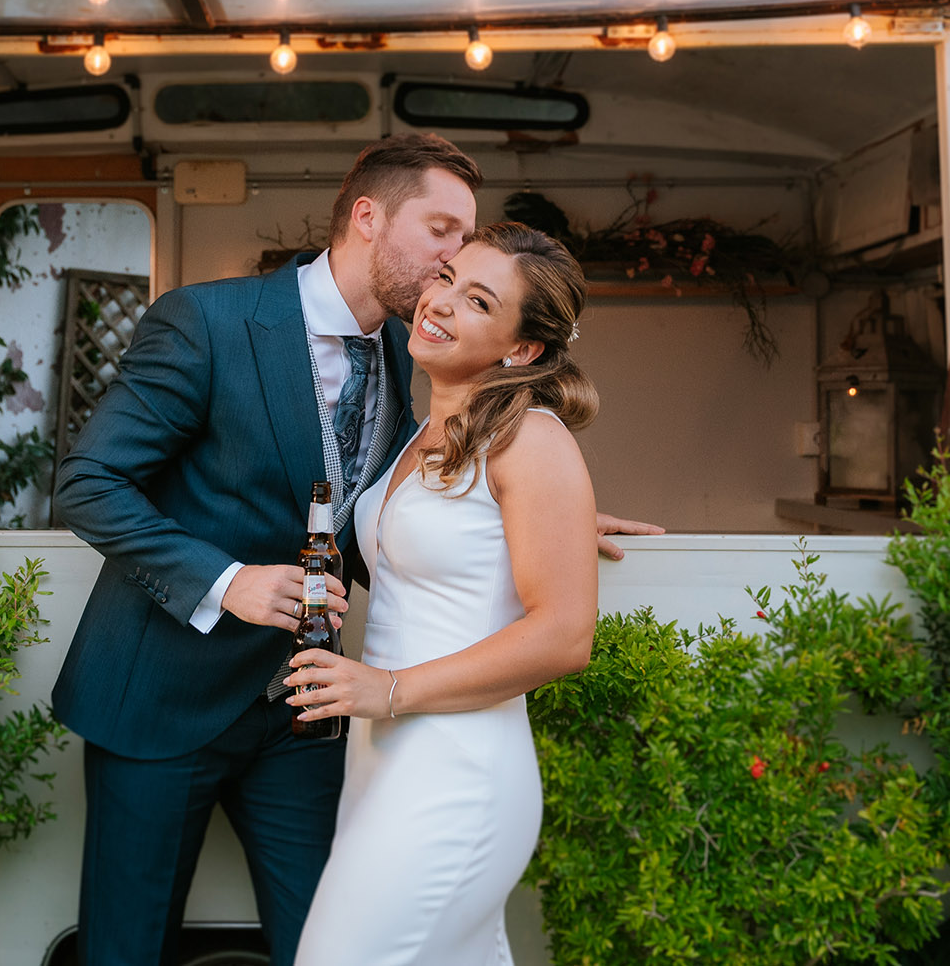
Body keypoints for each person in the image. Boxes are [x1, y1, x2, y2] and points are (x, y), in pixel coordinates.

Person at [53, 138, 660, 966]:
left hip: (307, 712)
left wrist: (547, 520)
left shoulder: (405, 359)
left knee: (331, 945)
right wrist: (226, 582)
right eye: (443, 232)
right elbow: (87, 480)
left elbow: (405, 506)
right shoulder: (208, 321)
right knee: (127, 949)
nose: (455, 256)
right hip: (160, 696)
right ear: (368, 217)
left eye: (467, 242)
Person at [286, 223, 603, 966]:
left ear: (521, 349)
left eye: (479, 300)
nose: (441, 301)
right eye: (447, 276)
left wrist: (388, 686)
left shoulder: (533, 439)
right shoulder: (427, 426)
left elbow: (564, 634)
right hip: (382, 758)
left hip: (456, 772)